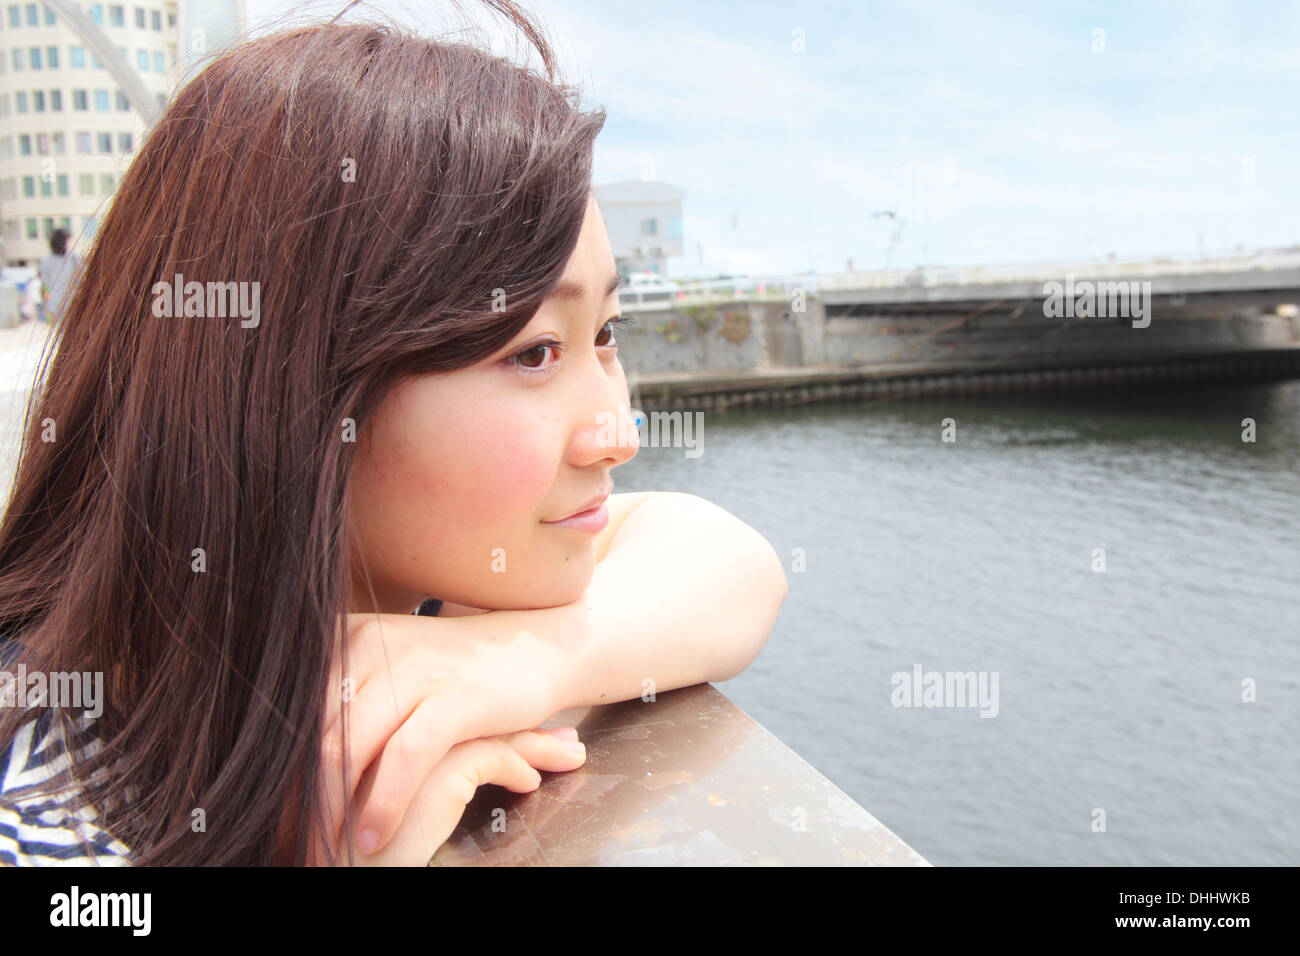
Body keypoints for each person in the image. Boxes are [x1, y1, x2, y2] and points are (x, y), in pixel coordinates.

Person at [0, 2, 787, 867]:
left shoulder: (417, 593)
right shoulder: (48, 816)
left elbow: (737, 563)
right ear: (297, 396)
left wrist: (517, 661)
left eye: (606, 333)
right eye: (533, 353)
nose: (617, 432)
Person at [37, 229, 82, 325]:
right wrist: (46, 307)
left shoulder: (73, 258)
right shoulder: (46, 260)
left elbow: (81, 278)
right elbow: (45, 285)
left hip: (73, 303)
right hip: (55, 305)